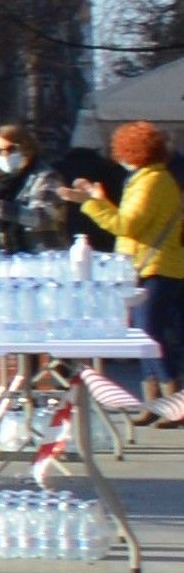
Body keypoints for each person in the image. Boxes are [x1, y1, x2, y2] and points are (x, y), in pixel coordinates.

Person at [70, 120, 184, 423]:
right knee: (144, 336)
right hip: (150, 266)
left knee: (150, 336)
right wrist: (99, 199)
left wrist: (92, 204)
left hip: (155, 268)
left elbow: (127, 225)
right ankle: (153, 403)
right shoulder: (150, 179)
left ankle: (172, 402)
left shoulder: (151, 182)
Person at [0, 124, 67, 256]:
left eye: (11, 149)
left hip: (42, 262)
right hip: (7, 264)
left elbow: (42, 218)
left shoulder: (46, 177)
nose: (5, 155)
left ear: (26, 148)